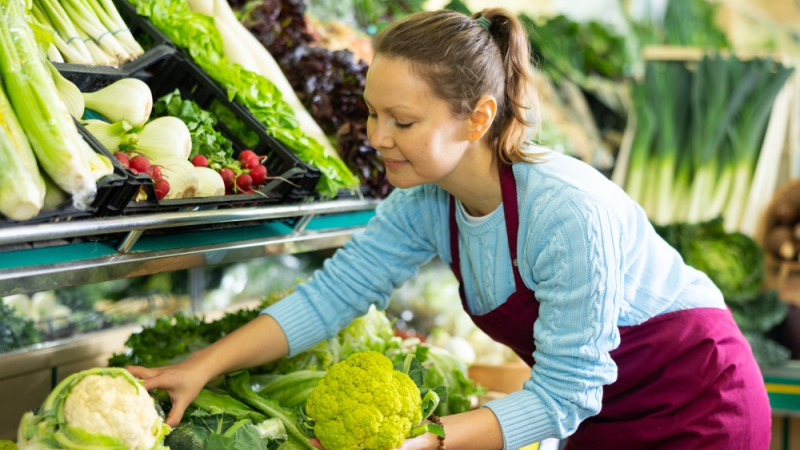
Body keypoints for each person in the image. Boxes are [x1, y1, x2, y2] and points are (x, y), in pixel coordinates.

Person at [127, 7, 772, 450]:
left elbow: (569, 388)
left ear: (476, 118)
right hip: (606, 412)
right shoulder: (426, 201)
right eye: (372, 114)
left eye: (401, 122)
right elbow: (331, 297)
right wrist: (201, 367)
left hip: (699, 402)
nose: (377, 138)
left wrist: (437, 439)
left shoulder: (566, 209)